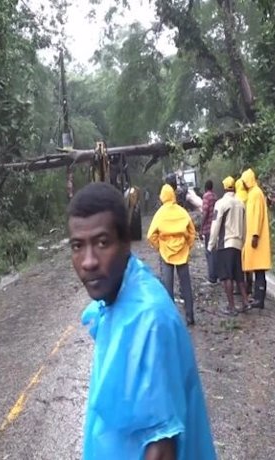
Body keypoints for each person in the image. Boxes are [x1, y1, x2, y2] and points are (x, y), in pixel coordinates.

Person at [68, 182, 217, 460]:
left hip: (169, 257)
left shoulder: (147, 321)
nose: (88, 261)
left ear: (125, 242)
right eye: (78, 246)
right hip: (180, 256)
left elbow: (160, 450)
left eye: (102, 243)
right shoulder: (119, 299)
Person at [147, 184, 197, 325]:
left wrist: (160, 246)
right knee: (185, 285)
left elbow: (151, 235)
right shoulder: (182, 212)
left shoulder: (160, 214)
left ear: (162, 197)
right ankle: (190, 316)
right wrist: (187, 246)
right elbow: (192, 232)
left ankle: (170, 319)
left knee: (168, 287)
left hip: (166, 254)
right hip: (182, 252)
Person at [208, 176, 250, 315]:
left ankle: (231, 307)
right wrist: (242, 241)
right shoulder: (240, 203)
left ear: (224, 187)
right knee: (239, 275)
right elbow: (245, 226)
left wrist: (211, 244)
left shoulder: (221, 203)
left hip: (225, 243)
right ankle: (245, 302)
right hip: (237, 243)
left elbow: (215, 225)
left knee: (226, 277)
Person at [240, 168, 272, 309]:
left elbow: (257, 216)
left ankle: (260, 299)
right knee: (256, 269)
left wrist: (255, 235)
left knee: (259, 270)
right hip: (253, 237)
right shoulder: (252, 193)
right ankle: (257, 297)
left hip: (256, 239)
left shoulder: (256, 194)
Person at [201, 179, 218, 283]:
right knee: (215, 252)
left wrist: (201, 227)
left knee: (209, 252)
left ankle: (212, 277)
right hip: (215, 227)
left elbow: (205, 212)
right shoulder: (215, 197)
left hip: (208, 228)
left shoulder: (206, 196)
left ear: (205, 187)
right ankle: (216, 274)